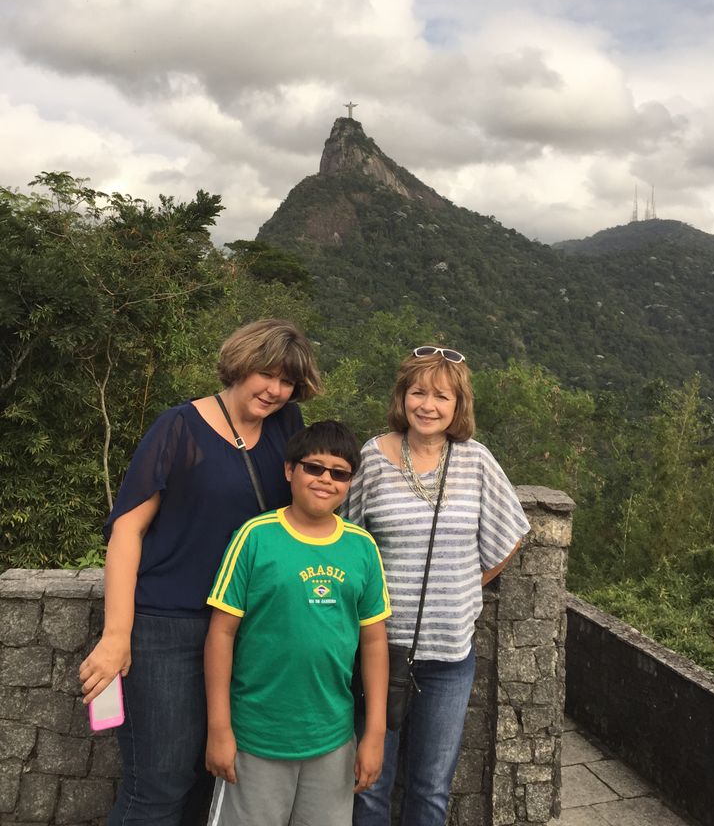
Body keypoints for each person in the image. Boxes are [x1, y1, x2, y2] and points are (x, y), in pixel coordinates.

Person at [78, 319, 322, 826]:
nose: (275, 390)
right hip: (170, 627)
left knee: (214, 779)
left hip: (247, 629)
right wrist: (117, 635)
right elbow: (127, 530)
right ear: (241, 363)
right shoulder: (178, 427)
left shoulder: (287, 426)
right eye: (267, 374)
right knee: (158, 785)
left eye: (287, 382)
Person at [345, 345, 531, 826]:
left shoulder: (477, 461)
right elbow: (343, 540)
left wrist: (470, 584)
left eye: (442, 396)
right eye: (418, 392)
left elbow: (511, 533)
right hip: (379, 650)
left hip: (449, 656)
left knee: (430, 790)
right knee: (368, 785)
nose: (428, 405)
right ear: (402, 396)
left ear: (458, 405)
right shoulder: (372, 457)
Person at [204, 420, 391, 826]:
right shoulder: (255, 537)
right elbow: (221, 633)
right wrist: (219, 728)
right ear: (290, 470)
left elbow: (374, 643)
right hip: (256, 738)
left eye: (339, 473)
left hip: (332, 740)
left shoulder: (362, 547)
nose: (326, 480)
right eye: (314, 468)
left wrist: (375, 733)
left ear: (350, 483)